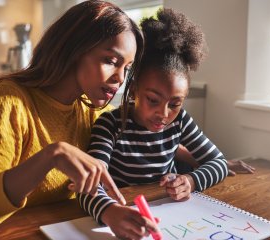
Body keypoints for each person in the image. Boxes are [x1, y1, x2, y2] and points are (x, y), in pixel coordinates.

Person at [0, 1, 160, 237]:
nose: (120, 78)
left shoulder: (94, 114)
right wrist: (51, 156)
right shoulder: (9, 100)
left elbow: (142, 135)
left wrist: (202, 162)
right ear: (72, 50)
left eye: (127, 68)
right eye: (111, 61)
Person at [80, 7, 228, 238]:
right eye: (152, 100)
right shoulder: (110, 124)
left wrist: (190, 181)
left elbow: (219, 163)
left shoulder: (179, 121)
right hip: (125, 215)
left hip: (169, 216)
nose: (164, 113)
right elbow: (88, 185)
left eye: (175, 103)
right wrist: (109, 210)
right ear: (136, 87)